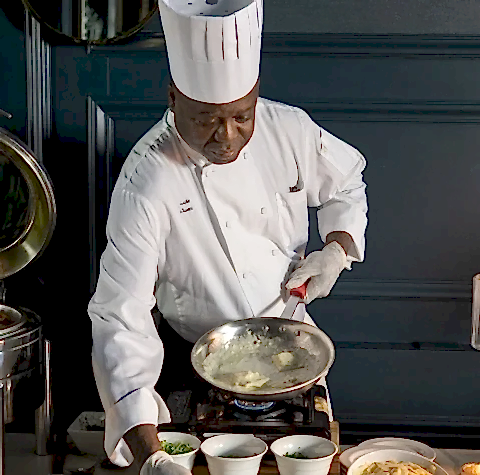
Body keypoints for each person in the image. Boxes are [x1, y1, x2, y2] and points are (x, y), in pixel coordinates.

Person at [87, 0, 368, 474]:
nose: (227, 137)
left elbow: (345, 182)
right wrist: (150, 455)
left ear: (255, 94)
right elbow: (120, 315)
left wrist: (336, 251)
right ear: (174, 98)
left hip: (293, 356)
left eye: (241, 116)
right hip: (197, 361)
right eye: (205, 119)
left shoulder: (289, 129)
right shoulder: (147, 183)